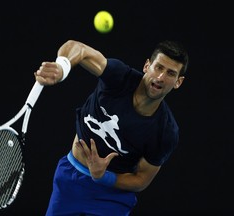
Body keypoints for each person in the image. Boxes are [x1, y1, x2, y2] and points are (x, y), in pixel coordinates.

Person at [34, 39, 189, 216]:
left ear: (178, 82)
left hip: (112, 199)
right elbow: (78, 48)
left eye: (170, 73)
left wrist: (103, 176)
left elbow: (141, 179)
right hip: (70, 180)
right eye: (159, 67)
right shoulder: (119, 78)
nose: (161, 77)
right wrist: (62, 67)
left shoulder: (165, 132)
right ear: (147, 66)